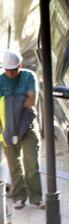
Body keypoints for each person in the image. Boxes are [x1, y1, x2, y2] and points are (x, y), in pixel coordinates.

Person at [0, 49, 44, 209]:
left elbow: (32, 101)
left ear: (21, 65)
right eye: (8, 70)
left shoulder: (28, 76)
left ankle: (36, 198)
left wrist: (10, 104)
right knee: (13, 164)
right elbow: (25, 100)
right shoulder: (0, 80)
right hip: (6, 128)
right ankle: (19, 196)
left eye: (14, 69)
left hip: (27, 126)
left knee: (31, 162)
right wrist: (21, 100)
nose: (11, 73)